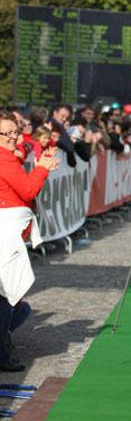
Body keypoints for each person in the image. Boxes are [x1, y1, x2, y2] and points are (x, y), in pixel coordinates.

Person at [0, 110, 60, 371]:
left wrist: (40, 168)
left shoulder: (8, 157)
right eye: (7, 133)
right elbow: (28, 190)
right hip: (6, 236)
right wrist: (41, 169)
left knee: (13, 300)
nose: (14, 137)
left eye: (16, 132)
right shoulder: (4, 159)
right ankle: (2, 354)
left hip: (9, 232)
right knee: (8, 296)